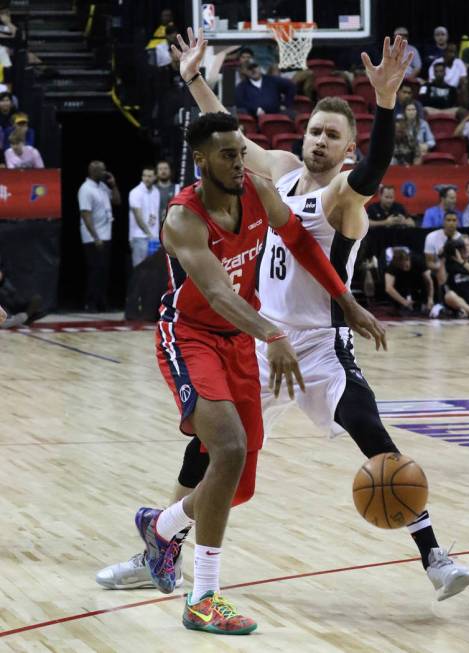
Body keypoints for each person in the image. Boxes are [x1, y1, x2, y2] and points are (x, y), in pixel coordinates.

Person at [97, 30, 469, 608]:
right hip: (256, 336)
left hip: (321, 345)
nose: (320, 141)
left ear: (348, 149)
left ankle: (434, 556)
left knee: (370, 433)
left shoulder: (344, 196)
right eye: (315, 131)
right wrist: (195, 78)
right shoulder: (276, 170)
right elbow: (226, 136)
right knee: (206, 451)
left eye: (332, 136)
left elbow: (375, 170)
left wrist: (385, 103)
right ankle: (159, 548)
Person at [133, 111, 387, 635]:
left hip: (238, 339)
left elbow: (299, 240)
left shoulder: (256, 188)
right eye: (227, 154)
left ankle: (160, 526)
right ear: (201, 161)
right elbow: (220, 295)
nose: (238, 161)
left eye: (240, 151)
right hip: (190, 336)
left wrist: (347, 300)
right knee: (226, 449)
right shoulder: (183, 218)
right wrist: (273, 334)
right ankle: (204, 596)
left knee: (236, 484)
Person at [77, 161, 121, 312]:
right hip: (92, 238)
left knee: (104, 271)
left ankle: (102, 303)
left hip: (106, 234)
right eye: (101, 170)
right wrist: (95, 237)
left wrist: (113, 185)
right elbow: (85, 214)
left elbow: (117, 200)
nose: (104, 173)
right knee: (95, 271)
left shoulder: (102, 187)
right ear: (92, 171)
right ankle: (90, 303)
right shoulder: (85, 189)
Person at [385, 248, 434, 314]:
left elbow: (429, 281)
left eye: (405, 265)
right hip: (401, 285)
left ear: (408, 259)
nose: (404, 268)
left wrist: (430, 298)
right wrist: (404, 302)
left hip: (419, 282)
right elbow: (388, 288)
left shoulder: (418, 260)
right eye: (401, 266)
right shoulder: (392, 266)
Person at [128, 166, 160, 267]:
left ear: (155, 177)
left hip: (154, 238)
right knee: (139, 269)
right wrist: (149, 234)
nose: (146, 178)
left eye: (150, 176)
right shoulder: (135, 192)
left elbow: (156, 214)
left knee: (152, 271)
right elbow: (138, 217)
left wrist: (156, 237)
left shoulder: (156, 191)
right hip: (140, 237)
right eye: (144, 176)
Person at [424, 211, 463, 289]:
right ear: (443, 222)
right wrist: (440, 265)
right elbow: (429, 262)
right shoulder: (431, 237)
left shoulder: (461, 239)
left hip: (457, 268)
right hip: (438, 266)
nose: (451, 223)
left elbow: (464, 260)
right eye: (448, 220)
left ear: (457, 222)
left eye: (454, 220)